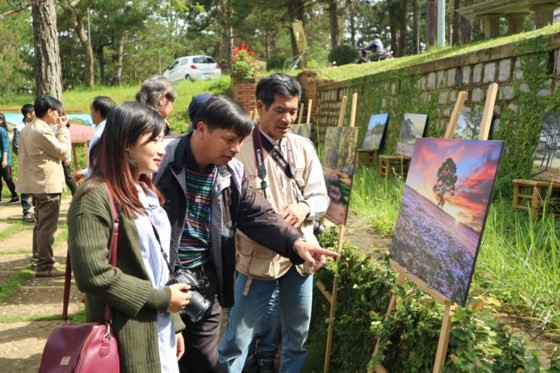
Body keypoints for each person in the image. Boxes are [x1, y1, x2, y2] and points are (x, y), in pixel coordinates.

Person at [153, 95, 337, 373]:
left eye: (240, 141)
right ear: (201, 129)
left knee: (203, 362)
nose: (237, 149)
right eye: (229, 139)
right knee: (157, 361)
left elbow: (258, 215)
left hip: (203, 287)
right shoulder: (160, 161)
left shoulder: (231, 172)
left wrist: (296, 243)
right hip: (157, 284)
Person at [68, 102, 190, 372]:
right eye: (153, 140)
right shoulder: (94, 196)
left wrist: (174, 322)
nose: (162, 149)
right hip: (127, 332)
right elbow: (92, 273)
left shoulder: (145, 191)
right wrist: (161, 299)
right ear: (125, 144)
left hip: (161, 325)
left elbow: (158, 262)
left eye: (162, 139)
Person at [219, 73, 329, 372]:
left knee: (297, 337)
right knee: (237, 341)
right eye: (280, 110)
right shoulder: (238, 151)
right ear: (260, 107)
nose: (287, 118)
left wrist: (304, 207)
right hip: (257, 261)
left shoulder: (303, 147)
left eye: (293, 111)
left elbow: (321, 196)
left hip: (300, 258)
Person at [16, 96, 70, 277]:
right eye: (57, 112)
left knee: (40, 225)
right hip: (47, 184)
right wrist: (62, 130)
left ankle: (38, 259)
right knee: (47, 227)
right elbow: (62, 151)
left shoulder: (29, 128)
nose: (58, 116)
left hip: (36, 182)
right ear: (49, 112)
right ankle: (45, 266)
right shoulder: (42, 131)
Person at [72, 96, 116, 182]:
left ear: (98, 113)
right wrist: (84, 172)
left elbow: (97, 163)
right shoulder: (114, 128)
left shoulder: (99, 135)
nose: (90, 114)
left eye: (91, 111)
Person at [13, 104, 35, 222]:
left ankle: (38, 209)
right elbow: (16, 146)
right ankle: (27, 212)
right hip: (26, 162)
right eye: (34, 112)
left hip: (38, 161)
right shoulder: (19, 128)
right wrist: (25, 157)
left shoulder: (37, 126)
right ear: (28, 115)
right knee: (26, 186)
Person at [0, 113, 19, 204]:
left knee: (7, 178)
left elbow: (5, 146)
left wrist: (4, 159)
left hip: (3, 159)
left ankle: (15, 196)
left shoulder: (2, 131)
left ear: (1, 120)